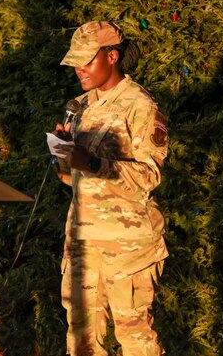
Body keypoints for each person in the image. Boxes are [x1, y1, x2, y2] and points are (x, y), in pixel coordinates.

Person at [52, 21, 169, 356]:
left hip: (127, 249)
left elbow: (148, 177)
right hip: (83, 244)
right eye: (75, 62)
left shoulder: (141, 106)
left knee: (136, 341)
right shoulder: (80, 106)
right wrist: (64, 155)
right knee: (82, 341)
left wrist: (91, 163)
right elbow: (72, 178)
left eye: (86, 61)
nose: (79, 69)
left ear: (112, 56)